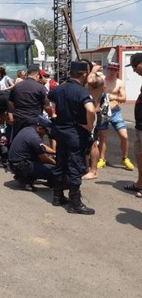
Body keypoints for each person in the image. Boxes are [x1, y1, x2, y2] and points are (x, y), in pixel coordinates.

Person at [48, 61, 96, 215]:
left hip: (60, 131)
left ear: (70, 73)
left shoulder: (58, 89)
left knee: (60, 163)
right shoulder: (82, 92)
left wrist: (53, 114)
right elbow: (90, 110)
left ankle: (57, 196)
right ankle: (75, 202)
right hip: (75, 133)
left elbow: (48, 100)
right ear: (84, 74)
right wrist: (89, 126)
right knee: (76, 166)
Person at [97, 61, 133, 171]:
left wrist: (113, 97)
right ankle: (101, 159)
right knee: (103, 137)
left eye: (114, 70)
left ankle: (125, 158)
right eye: (110, 69)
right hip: (103, 112)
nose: (112, 71)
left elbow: (123, 98)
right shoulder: (101, 80)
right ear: (107, 69)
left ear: (118, 71)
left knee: (124, 136)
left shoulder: (120, 83)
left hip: (115, 112)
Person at [8, 116, 57, 191]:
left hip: (15, 163)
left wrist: (54, 152)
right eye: (46, 131)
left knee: (44, 160)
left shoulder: (28, 129)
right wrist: (55, 162)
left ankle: (23, 177)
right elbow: (43, 158)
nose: (46, 134)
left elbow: (42, 146)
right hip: (21, 166)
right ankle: (26, 178)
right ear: (40, 128)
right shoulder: (35, 138)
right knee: (54, 169)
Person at [8, 64, 51, 141]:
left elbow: (10, 103)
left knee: (19, 141)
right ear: (37, 75)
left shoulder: (16, 86)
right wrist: (51, 115)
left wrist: (16, 112)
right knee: (34, 143)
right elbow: (46, 106)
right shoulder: (40, 88)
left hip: (19, 120)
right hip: (34, 120)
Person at [123, 53, 142, 195]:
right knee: (138, 153)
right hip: (140, 126)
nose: (134, 70)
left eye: (135, 66)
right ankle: (140, 183)